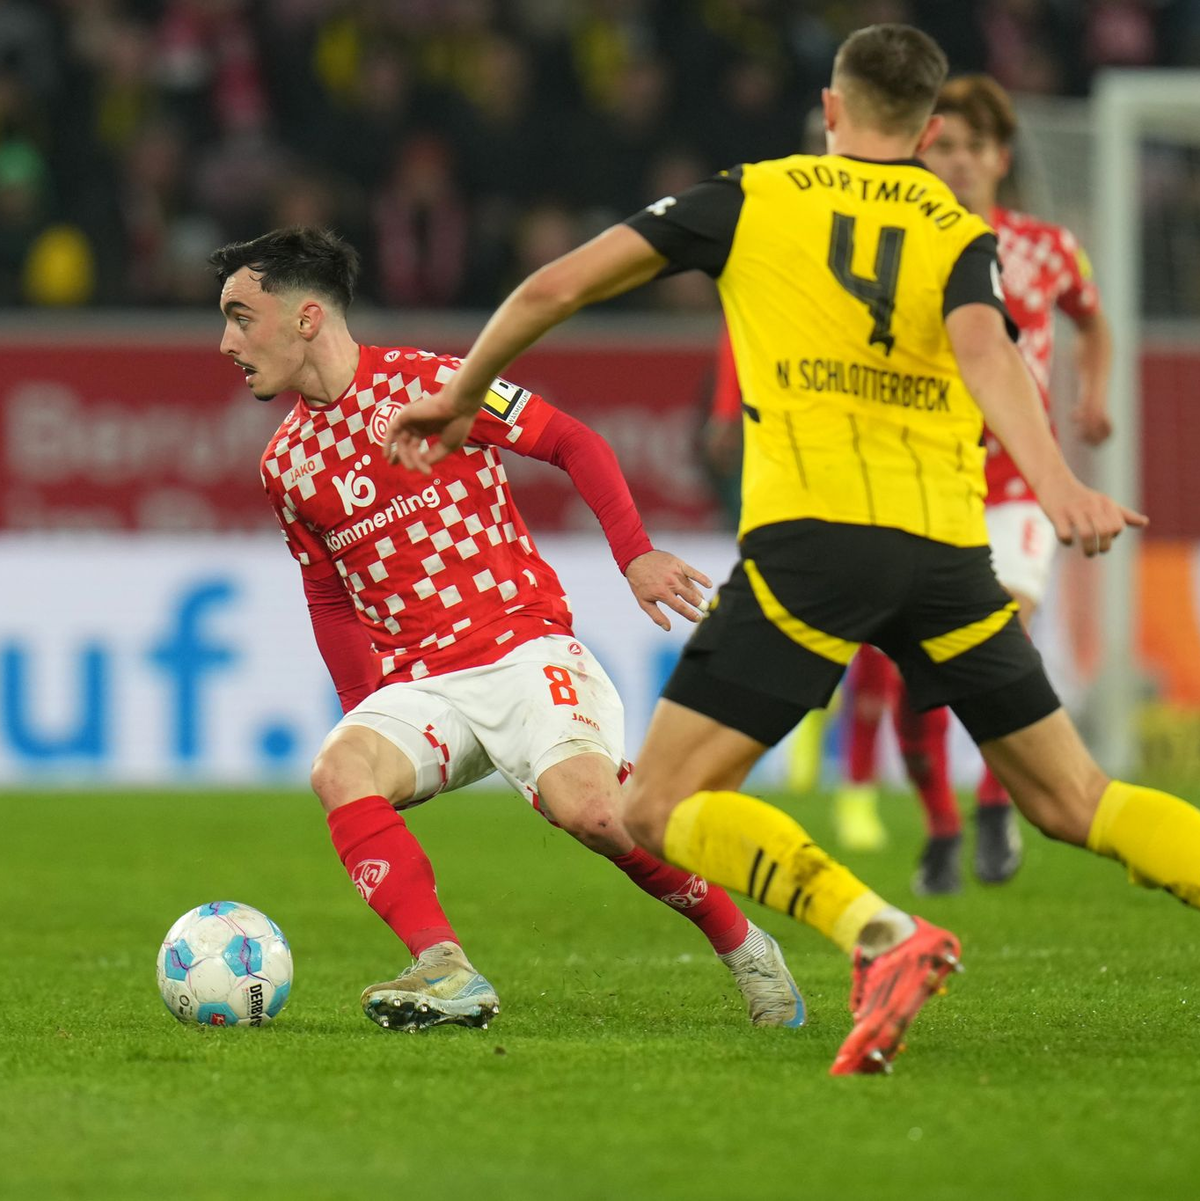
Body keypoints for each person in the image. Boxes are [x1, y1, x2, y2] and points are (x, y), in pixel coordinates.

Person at [384, 22, 1200, 1078]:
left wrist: (459, 391)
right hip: (949, 549)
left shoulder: (754, 194)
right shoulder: (956, 223)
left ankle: (877, 934)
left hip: (813, 549)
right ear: (930, 127)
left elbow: (557, 287)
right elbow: (988, 353)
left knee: (657, 804)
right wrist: (1062, 487)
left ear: (830, 107)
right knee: (1074, 801)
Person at [210, 226, 807, 1035]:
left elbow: (571, 440)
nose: (226, 342)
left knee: (595, 814)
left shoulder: (437, 385)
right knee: (339, 767)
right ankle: (445, 967)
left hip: (524, 650)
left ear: (307, 317)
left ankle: (746, 948)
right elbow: (328, 591)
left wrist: (634, 555)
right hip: (425, 684)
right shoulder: (286, 463)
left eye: (241, 317)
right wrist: (363, 704)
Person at [833, 74, 1116, 895]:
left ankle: (996, 806)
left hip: (1020, 483)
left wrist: (1094, 391)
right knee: (913, 667)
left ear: (1000, 156)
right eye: (942, 146)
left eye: (970, 147)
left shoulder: (1049, 247)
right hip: (925, 477)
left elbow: (1094, 321)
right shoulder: (900, 240)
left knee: (1003, 645)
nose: (956, 161)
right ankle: (943, 823)